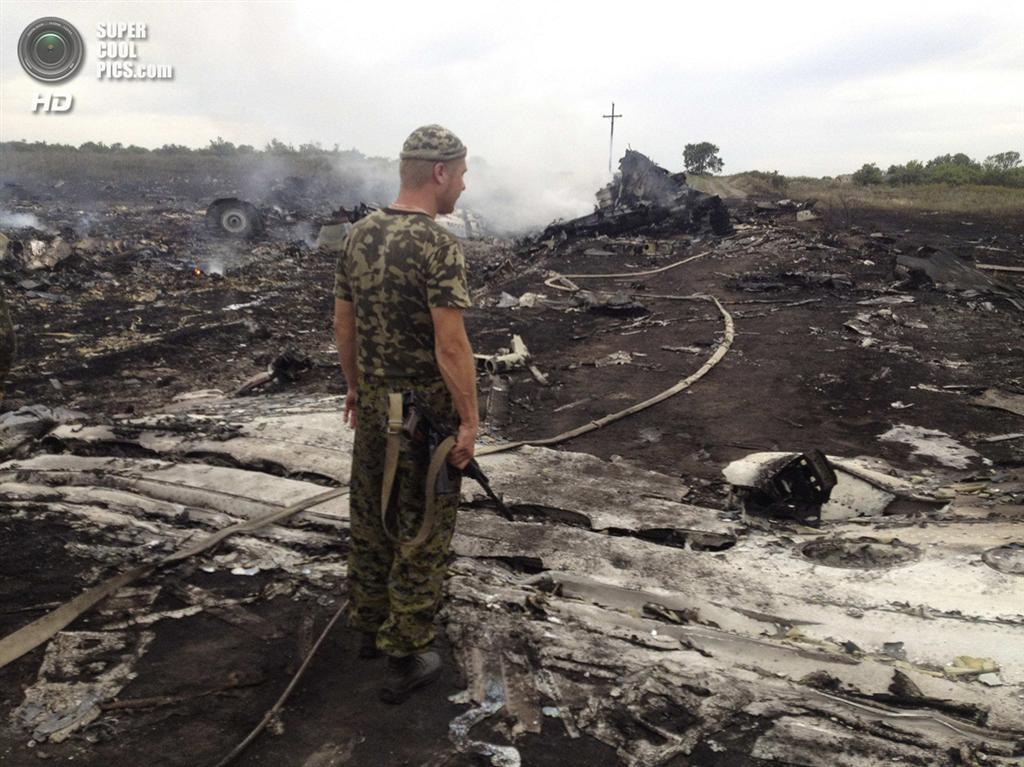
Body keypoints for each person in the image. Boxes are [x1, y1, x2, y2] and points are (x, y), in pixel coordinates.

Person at [332, 125, 477, 704]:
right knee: (421, 528)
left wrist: (354, 388)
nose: (463, 187)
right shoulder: (439, 246)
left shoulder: (357, 235)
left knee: (370, 514)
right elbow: (450, 346)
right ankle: (409, 645)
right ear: (440, 173)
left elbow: (343, 323)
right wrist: (468, 420)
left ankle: (368, 625)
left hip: (372, 405)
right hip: (424, 416)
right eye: (462, 174)